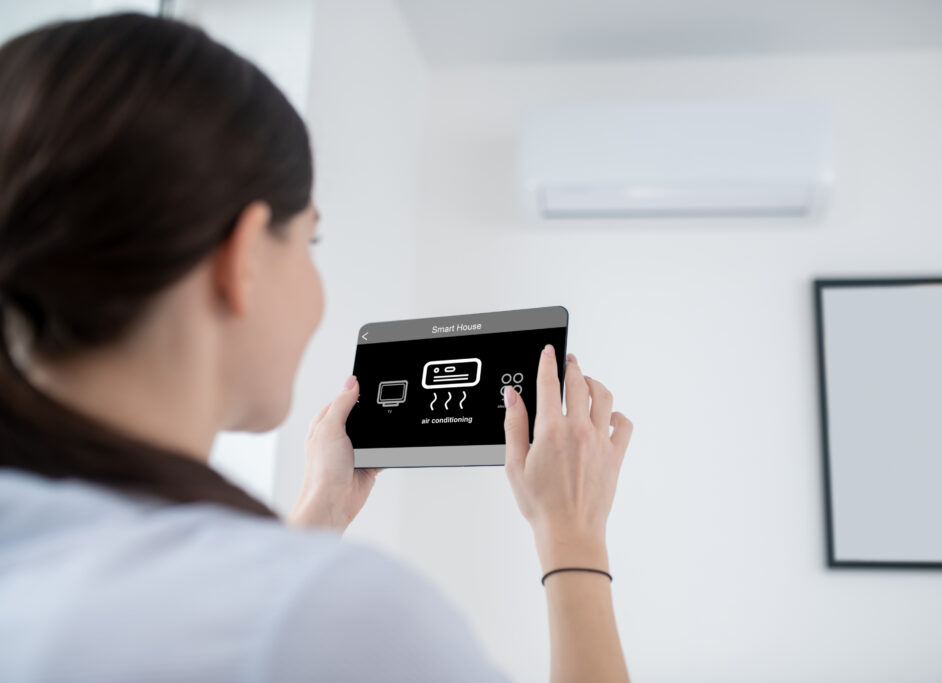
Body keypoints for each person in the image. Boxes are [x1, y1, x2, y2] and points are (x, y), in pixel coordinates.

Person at [0, 12, 634, 683]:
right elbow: (274, 626)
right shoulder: (336, 612)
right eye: (311, 240)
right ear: (244, 257)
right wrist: (573, 535)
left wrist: (320, 512)